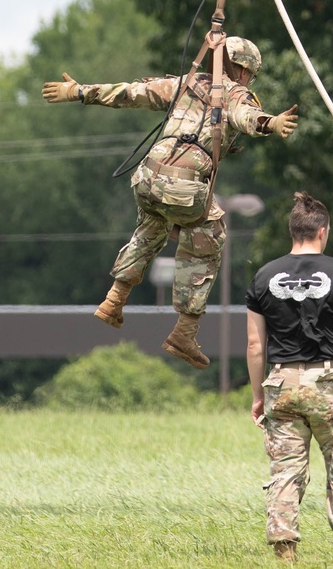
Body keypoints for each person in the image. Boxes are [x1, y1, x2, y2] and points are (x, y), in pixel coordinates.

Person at [42, 37, 298, 369]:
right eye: (250, 73)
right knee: (209, 237)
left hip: (147, 177)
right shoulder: (235, 94)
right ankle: (184, 333)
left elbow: (130, 93)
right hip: (184, 183)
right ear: (243, 69)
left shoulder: (184, 83)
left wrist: (79, 91)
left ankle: (113, 301)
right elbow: (247, 116)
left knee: (151, 228)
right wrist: (272, 123)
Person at [246, 191, 333, 562]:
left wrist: (259, 395)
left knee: (285, 470)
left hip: (280, 384)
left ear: (293, 231)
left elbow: (255, 345)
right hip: (329, 384)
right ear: (322, 231)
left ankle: (284, 550)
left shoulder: (264, 276)